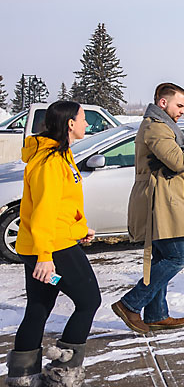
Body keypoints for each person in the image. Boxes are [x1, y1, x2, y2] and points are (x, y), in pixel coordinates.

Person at [8, 101, 101, 387]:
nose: (88, 124)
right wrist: (45, 257)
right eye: (84, 119)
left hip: (49, 243)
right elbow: (43, 212)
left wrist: (79, 228)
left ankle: (23, 377)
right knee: (89, 301)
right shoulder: (50, 162)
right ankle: (64, 372)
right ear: (70, 123)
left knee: (38, 307)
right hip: (52, 248)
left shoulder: (59, 155)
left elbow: (62, 206)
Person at [112, 83, 184, 334]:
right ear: (162, 103)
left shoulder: (162, 127)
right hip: (159, 201)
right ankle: (130, 304)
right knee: (178, 256)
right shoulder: (156, 127)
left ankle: (156, 315)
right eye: (179, 105)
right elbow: (175, 161)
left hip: (163, 198)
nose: (182, 111)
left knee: (163, 257)